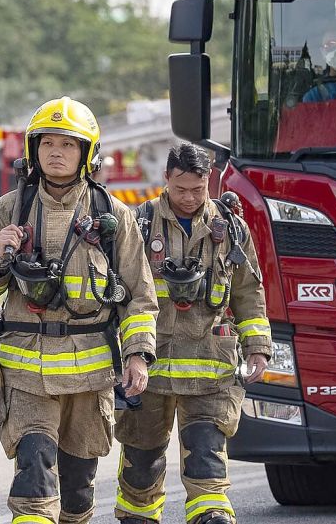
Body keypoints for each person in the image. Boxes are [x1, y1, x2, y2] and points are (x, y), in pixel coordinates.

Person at [0, 97, 159, 524]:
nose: (55, 152)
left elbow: (140, 296)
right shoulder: (7, 209)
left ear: (86, 153)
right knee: (33, 468)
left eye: (67, 144)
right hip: (26, 373)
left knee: (77, 486)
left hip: (89, 378)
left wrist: (139, 355)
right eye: (47, 142)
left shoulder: (113, 217)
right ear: (33, 151)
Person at [114, 143, 271, 524]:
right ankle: (137, 515)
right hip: (150, 369)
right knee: (142, 458)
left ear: (209, 181)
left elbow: (249, 292)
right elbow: (122, 292)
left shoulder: (231, 228)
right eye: (180, 189)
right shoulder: (139, 223)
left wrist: (258, 347)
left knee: (207, 454)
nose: (188, 198)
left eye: (197, 189)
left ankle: (210, 514)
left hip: (211, 366)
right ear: (165, 179)